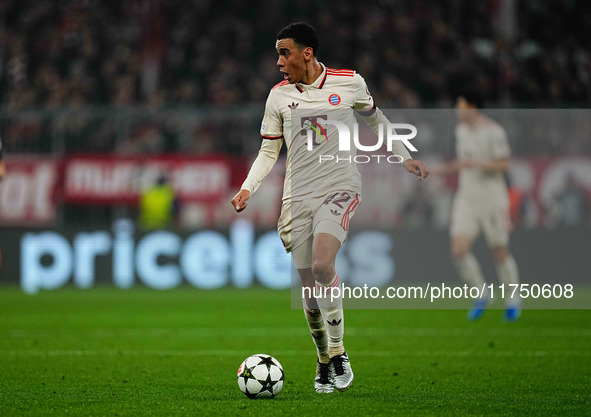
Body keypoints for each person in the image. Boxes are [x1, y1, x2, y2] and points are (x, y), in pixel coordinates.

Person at [230, 23, 429, 393]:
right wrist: (247, 188)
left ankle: (338, 352)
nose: (278, 61)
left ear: (307, 52)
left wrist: (404, 157)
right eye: (277, 53)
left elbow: (377, 120)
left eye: (284, 52)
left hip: (339, 186)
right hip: (297, 197)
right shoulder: (278, 97)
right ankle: (323, 360)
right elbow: (269, 151)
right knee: (309, 290)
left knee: (324, 265)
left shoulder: (349, 82)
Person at [433, 90, 521, 321]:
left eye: (460, 105)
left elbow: (504, 165)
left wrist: (477, 164)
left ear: (472, 107)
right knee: (459, 250)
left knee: (498, 250)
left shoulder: (493, 132)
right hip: (466, 199)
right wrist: (437, 171)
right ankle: (482, 294)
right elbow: (464, 163)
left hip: (492, 199)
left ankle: (513, 299)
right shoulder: (460, 130)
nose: (457, 109)